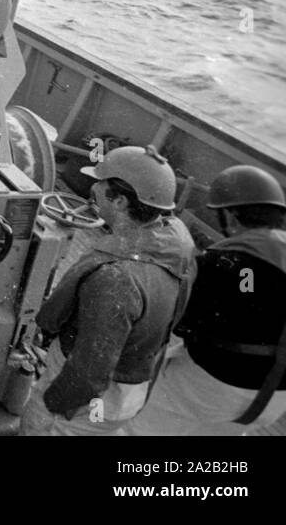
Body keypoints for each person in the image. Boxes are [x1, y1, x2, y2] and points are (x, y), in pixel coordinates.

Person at [20, 145, 196, 436]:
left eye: (100, 185)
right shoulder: (177, 239)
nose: (94, 189)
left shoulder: (114, 278)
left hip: (84, 400)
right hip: (129, 386)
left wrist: (54, 404)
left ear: (120, 203)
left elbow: (90, 371)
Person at [127, 165, 286, 436]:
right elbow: (253, 295)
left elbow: (179, 327)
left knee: (143, 424)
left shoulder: (219, 263)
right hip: (280, 395)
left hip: (217, 386)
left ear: (229, 214)